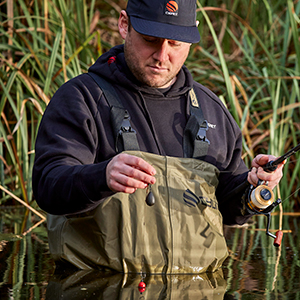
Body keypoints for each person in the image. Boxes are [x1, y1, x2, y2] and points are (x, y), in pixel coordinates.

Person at [32, 0, 284, 274]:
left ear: (192, 34)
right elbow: (48, 187)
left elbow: (230, 210)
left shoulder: (212, 108)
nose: (162, 55)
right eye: (150, 39)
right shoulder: (81, 98)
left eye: (175, 43)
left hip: (201, 289)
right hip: (99, 285)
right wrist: (102, 176)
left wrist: (253, 188)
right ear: (124, 24)